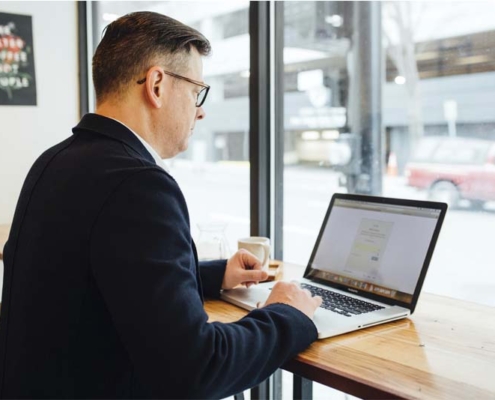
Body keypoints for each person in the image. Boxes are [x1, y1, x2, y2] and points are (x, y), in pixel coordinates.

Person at [0, 11, 321, 399]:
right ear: (156, 84)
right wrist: (288, 313)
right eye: (195, 91)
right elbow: (196, 369)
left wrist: (216, 275)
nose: (200, 110)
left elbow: (105, 279)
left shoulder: (53, 162)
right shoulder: (137, 185)